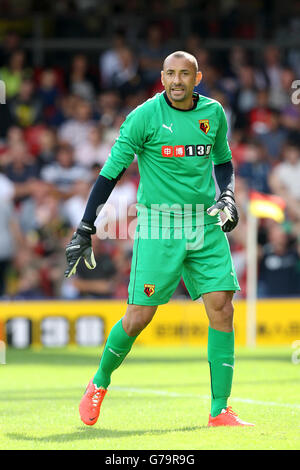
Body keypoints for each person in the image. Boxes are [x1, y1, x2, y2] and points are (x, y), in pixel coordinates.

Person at [65, 51, 254, 428]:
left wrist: (228, 195)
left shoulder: (213, 114)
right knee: (137, 318)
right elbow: (110, 173)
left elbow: (223, 161)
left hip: (204, 224)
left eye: (185, 74)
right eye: (171, 74)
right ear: (162, 77)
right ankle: (99, 382)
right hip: (158, 226)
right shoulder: (143, 117)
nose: (178, 81)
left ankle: (220, 410)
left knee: (223, 308)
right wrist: (85, 226)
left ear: (197, 77)